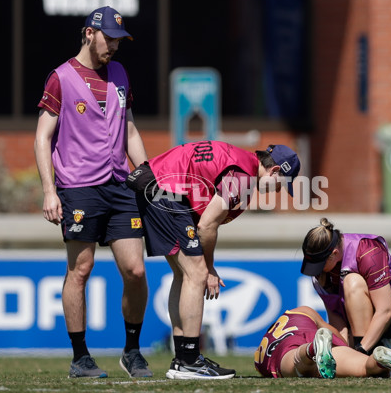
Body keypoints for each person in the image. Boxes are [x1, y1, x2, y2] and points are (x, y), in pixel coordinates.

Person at [34, 6, 151, 378]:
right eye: (109, 38)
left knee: (135, 270)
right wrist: (49, 191)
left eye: (119, 40)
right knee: (80, 269)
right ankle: (80, 357)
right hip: (78, 188)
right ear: (89, 33)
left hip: (120, 186)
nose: (114, 46)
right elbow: (42, 137)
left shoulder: (119, 74)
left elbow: (128, 129)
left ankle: (132, 351)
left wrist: (146, 174)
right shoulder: (61, 77)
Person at [125, 140, 301, 379]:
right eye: (282, 185)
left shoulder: (242, 163)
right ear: (276, 170)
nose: (280, 191)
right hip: (163, 187)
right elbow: (207, 225)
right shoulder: (244, 176)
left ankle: (182, 357)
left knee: (184, 275)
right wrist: (209, 268)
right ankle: (189, 360)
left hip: (153, 181)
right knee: (196, 274)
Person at [300, 218, 391, 356]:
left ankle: (374, 348)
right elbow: (338, 321)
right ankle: (374, 353)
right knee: (341, 355)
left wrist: (360, 352)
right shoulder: (320, 276)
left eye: (319, 264)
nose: (316, 271)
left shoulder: (368, 251)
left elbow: (385, 311)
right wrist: (343, 354)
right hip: (356, 319)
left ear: (334, 254)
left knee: (351, 280)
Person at [254, 306, 391, 379]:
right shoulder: (297, 312)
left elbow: (269, 367)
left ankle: (311, 350)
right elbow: (330, 330)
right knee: (362, 366)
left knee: (296, 365)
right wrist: (345, 348)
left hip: (282, 349)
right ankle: (377, 360)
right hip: (310, 327)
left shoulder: (260, 352)